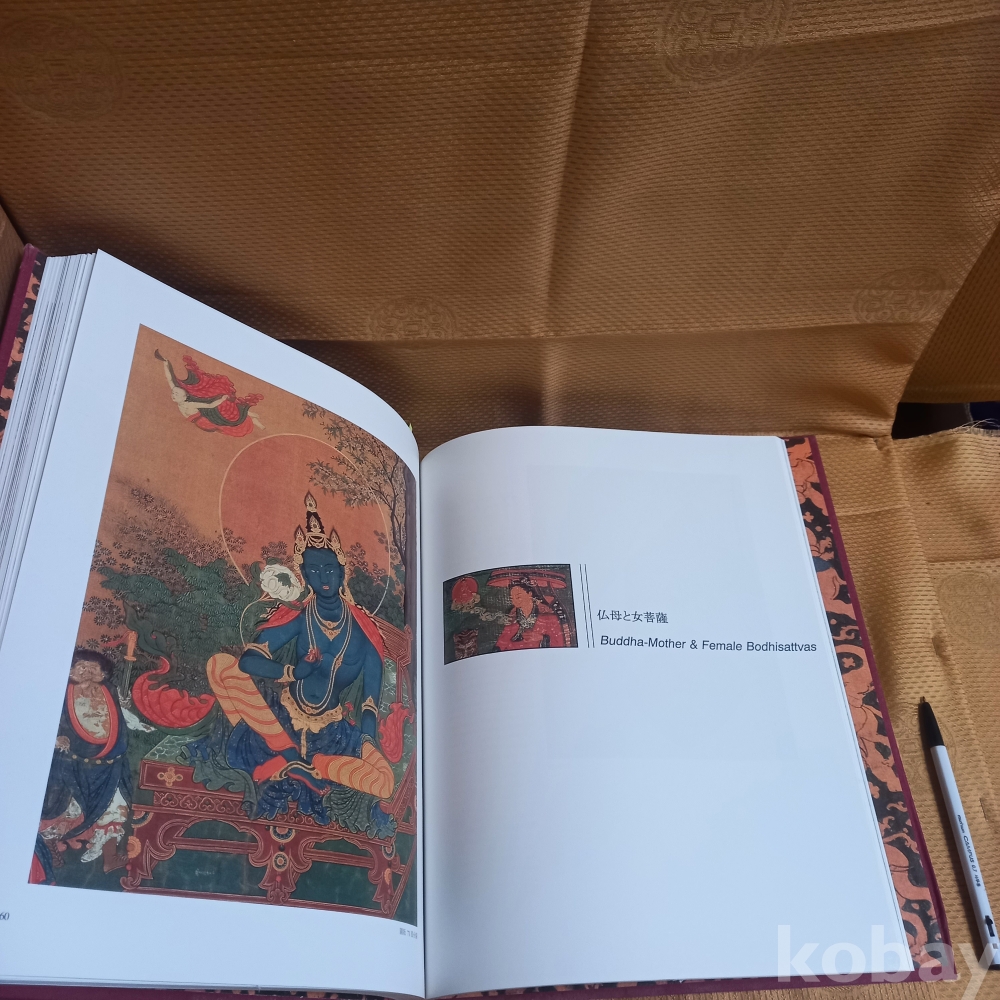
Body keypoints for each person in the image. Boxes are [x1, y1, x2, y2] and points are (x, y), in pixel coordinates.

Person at [206, 493, 395, 830]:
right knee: (220, 665)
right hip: (281, 720)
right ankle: (289, 755)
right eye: (314, 570)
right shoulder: (299, 616)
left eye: (329, 569)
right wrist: (292, 671)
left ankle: (312, 767)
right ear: (304, 574)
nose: (323, 577)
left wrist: (367, 742)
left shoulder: (366, 634)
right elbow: (249, 660)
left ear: (342, 571)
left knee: (384, 782)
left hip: (333, 736)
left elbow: (369, 702)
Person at [32, 650, 135, 881]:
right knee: (66, 809)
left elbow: (124, 717)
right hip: (73, 762)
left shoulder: (111, 691)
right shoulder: (60, 693)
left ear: (103, 674)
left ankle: (110, 857)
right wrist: (55, 738)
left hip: (110, 762)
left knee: (115, 808)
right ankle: (50, 845)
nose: (87, 671)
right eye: (82, 666)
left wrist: (125, 703)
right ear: (70, 671)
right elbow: (39, 721)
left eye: (94, 667)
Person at [494, 578, 569, 651]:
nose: (514, 601)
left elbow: (558, 643)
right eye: (512, 598)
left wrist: (541, 638)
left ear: (530, 594)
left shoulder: (549, 617)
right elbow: (502, 641)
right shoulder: (512, 616)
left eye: (518, 597)